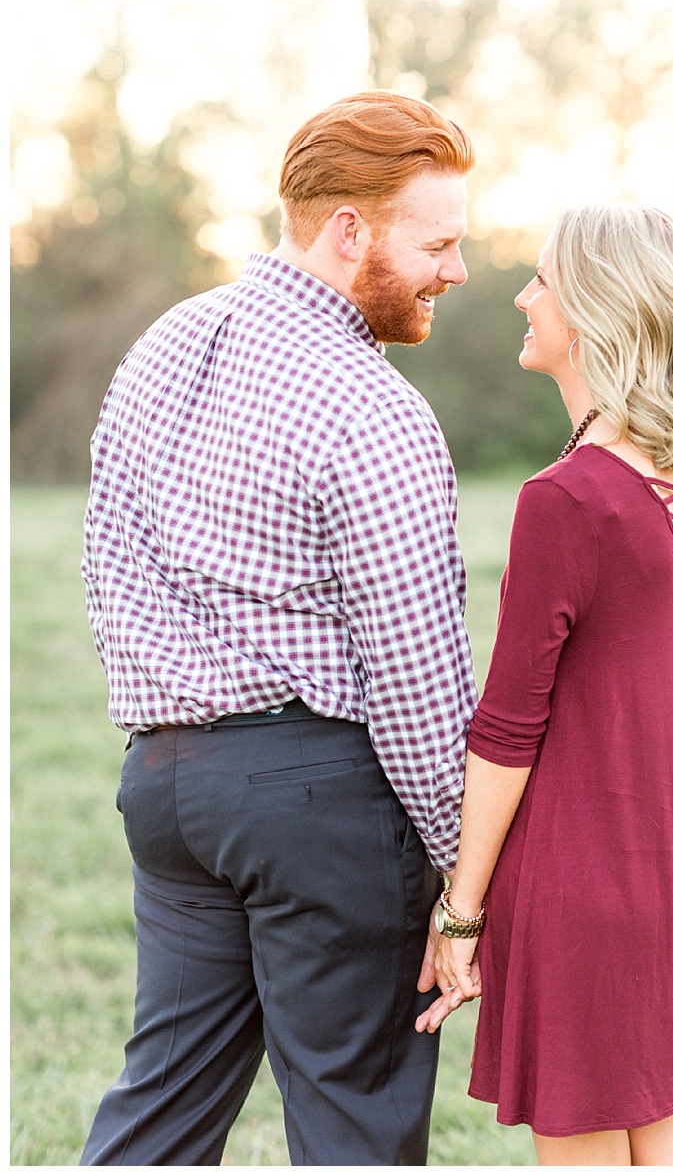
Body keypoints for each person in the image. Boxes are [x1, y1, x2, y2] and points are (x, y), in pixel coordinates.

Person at [79, 90, 478, 1164]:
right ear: (350, 230)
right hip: (320, 803)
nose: (458, 270)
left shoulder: (167, 344)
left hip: (166, 787)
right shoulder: (374, 406)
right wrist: (464, 875)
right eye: (437, 242)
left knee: (158, 1108)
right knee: (356, 1118)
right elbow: (416, 675)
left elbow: (105, 559)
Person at [413, 203, 673, 1167]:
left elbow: (507, 728)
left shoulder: (563, 500)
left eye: (544, 280)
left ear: (596, 311)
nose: (523, 295)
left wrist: (462, 913)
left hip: (576, 889)